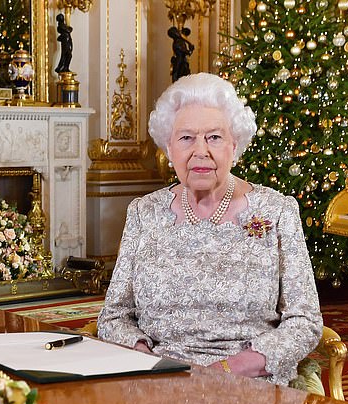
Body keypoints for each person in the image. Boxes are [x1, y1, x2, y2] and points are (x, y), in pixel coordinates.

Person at [97, 73, 323, 388]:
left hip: (250, 384)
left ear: (234, 145)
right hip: (161, 381)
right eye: (186, 138)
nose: (200, 151)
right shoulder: (143, 213)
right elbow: (113, 318)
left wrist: (230, 369)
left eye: (214, 137)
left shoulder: (277, 211)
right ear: (168, 147)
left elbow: (305, 323)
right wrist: (144, 358)